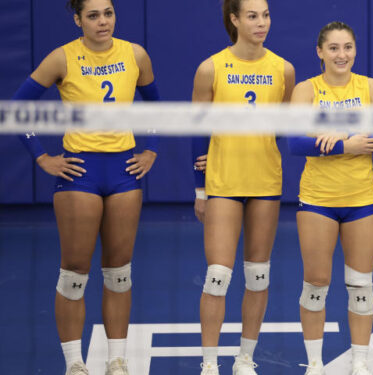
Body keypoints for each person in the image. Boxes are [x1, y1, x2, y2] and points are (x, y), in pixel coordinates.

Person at [12, 0, 160, 374]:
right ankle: (75, 363)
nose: (103, 21)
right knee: (75, 273)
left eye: (108, 12)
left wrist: (152, 148)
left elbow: (157, 105)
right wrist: (41, 157)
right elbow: (17, 107)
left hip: (125, 170)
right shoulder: (61, 58)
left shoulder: (136, 54)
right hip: (81, 172)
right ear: (78, 20)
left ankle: (117, 360)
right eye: (93, 15)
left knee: (119, 272)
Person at [190, 0, 295, 374]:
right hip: (223, 183)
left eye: (265, 15)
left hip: (265, 181)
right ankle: (209, 364)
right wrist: (200, 190)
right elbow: (197, 129)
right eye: (252, 15)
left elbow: (283, 124)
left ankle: (245, 359)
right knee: (218, 274)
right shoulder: (211, 68)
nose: (261, 22)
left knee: (258, 274)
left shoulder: (284, 69)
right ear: (234, 19)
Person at [287, 21, 373, 375]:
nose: (341, 54)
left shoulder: (369, 86)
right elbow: (294, 142)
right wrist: (350, 143)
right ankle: (315, 363)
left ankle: (359, 361)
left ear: (355, 50)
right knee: (316, 283)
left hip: (362, 199)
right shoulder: (305, 90)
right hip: (317, 199)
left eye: (347, 47)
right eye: (333, 48)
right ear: (320, 52)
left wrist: (336, 137)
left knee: (361, 284)